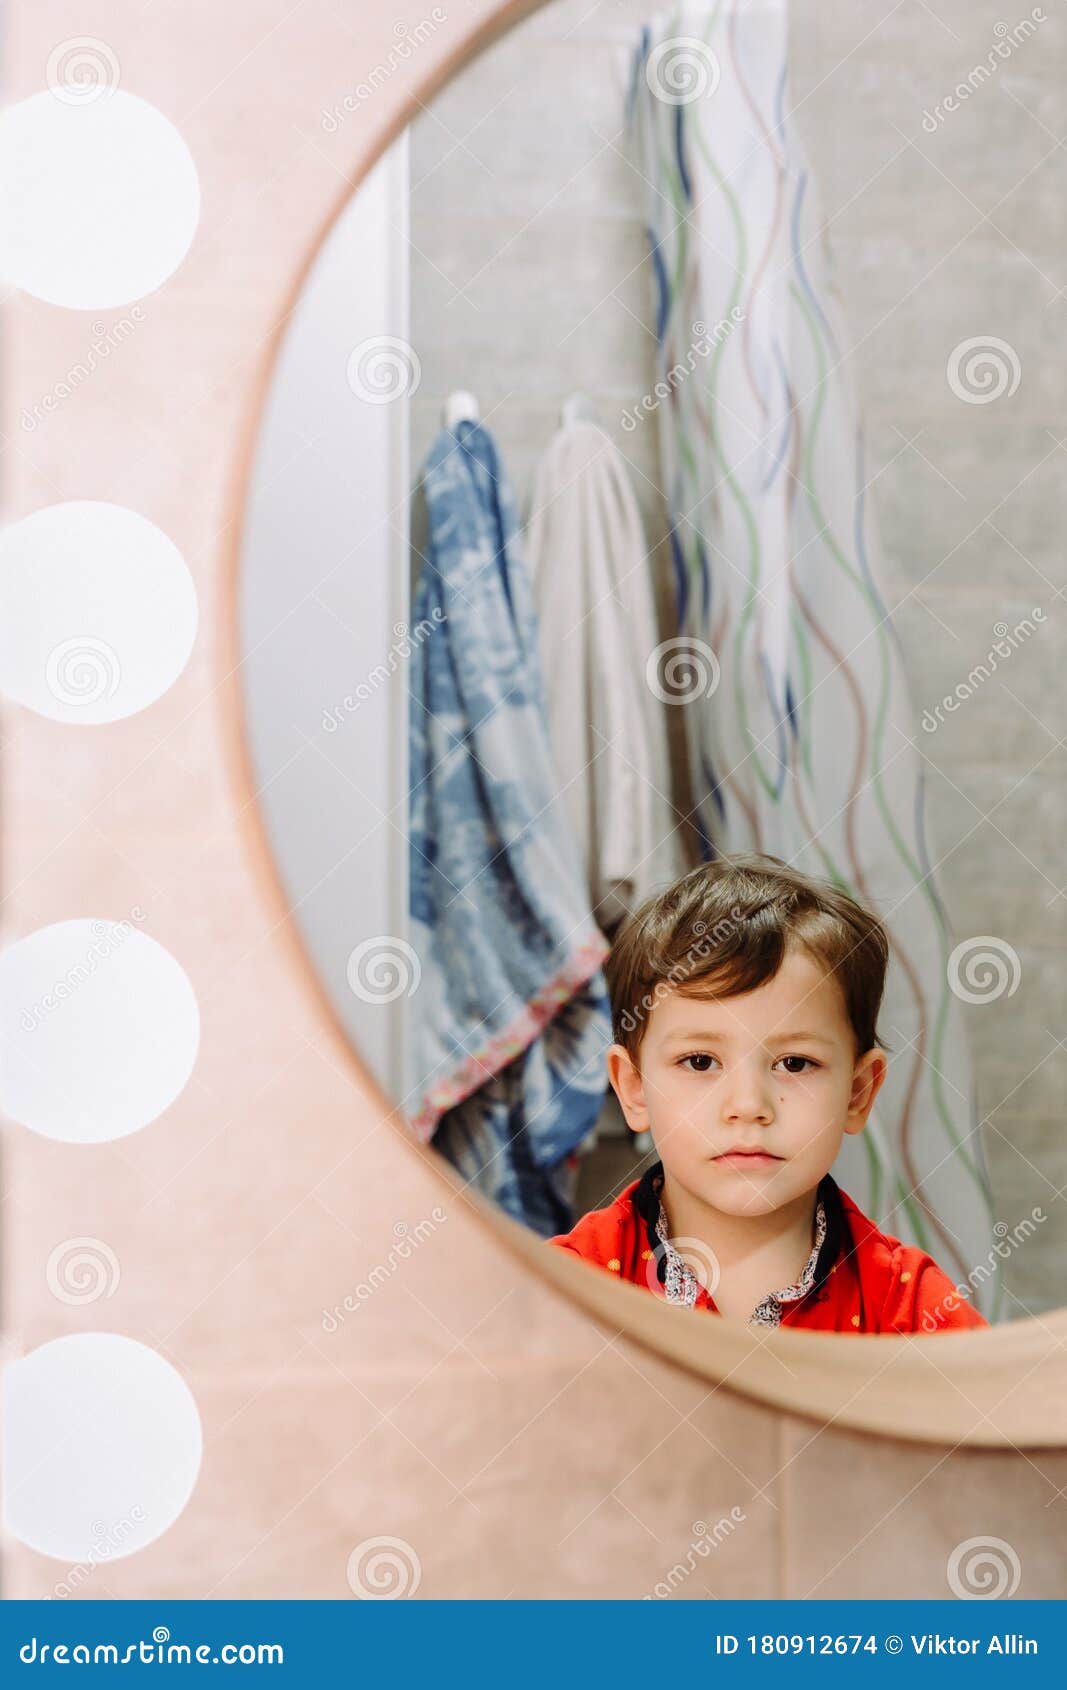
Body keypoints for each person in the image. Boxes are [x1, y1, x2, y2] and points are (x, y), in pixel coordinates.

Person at [547, 852, 989, 1334]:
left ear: (858, 1092)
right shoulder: (562, 1291)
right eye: (700, 1062)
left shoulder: (914, 1308)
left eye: (794, 1064)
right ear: (634, 1088)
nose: (748, 1106)